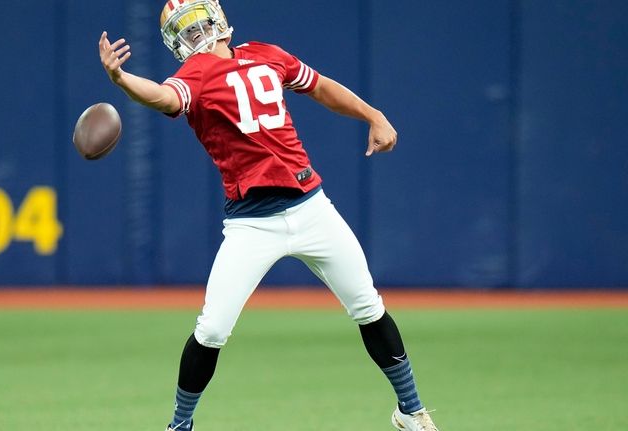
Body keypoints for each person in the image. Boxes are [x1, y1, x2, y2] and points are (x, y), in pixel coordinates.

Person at [98, 1, 439, 430]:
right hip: (251, 222)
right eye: (183, 30)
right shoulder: (196, 74)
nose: (195, 34)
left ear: (217, 18)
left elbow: (321, 87)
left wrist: (373, 114)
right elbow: (164, 97)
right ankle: (179, 425)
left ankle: (411, 411)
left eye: (198, 22)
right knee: (212, 329)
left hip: (311, 206)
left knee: (369, 307)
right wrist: (121, 78)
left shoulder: (265, 53)